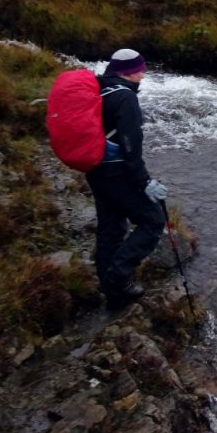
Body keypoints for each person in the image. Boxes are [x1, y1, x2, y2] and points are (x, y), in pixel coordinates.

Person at [87, 48, 168, 309]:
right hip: (117, 172)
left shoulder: (100, 90)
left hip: (96, 170)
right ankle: (118, 275)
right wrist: (145, 182)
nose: (143, 74)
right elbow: (130, 146)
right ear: (128, 72)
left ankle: (110, 290)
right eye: (140, 69)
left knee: (111, 228)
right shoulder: (125, 99)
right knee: (153, 221)